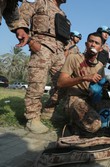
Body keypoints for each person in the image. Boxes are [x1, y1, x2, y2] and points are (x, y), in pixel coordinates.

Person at [19, 0, 71, 133]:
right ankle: (32, 118)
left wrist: (66, 50)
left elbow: (65, 35)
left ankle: (48, 111)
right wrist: (30, 41)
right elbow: (21, 20)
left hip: (59, 51)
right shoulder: (39, 2)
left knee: (63, 84)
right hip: (42, 46)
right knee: (37, 84)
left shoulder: (62, 13)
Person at [57, 32, 105, 133]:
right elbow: (60, 83)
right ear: (86, 44)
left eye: (96, 43)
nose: (93, 44)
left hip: (91, 98)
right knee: (94, 125)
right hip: (74, 98)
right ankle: (72, 122)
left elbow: (100, 86)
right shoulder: (73, 58)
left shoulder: (100, 66)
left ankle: (79, 121)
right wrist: (84, 78)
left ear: (100, 48)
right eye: (91, 41)